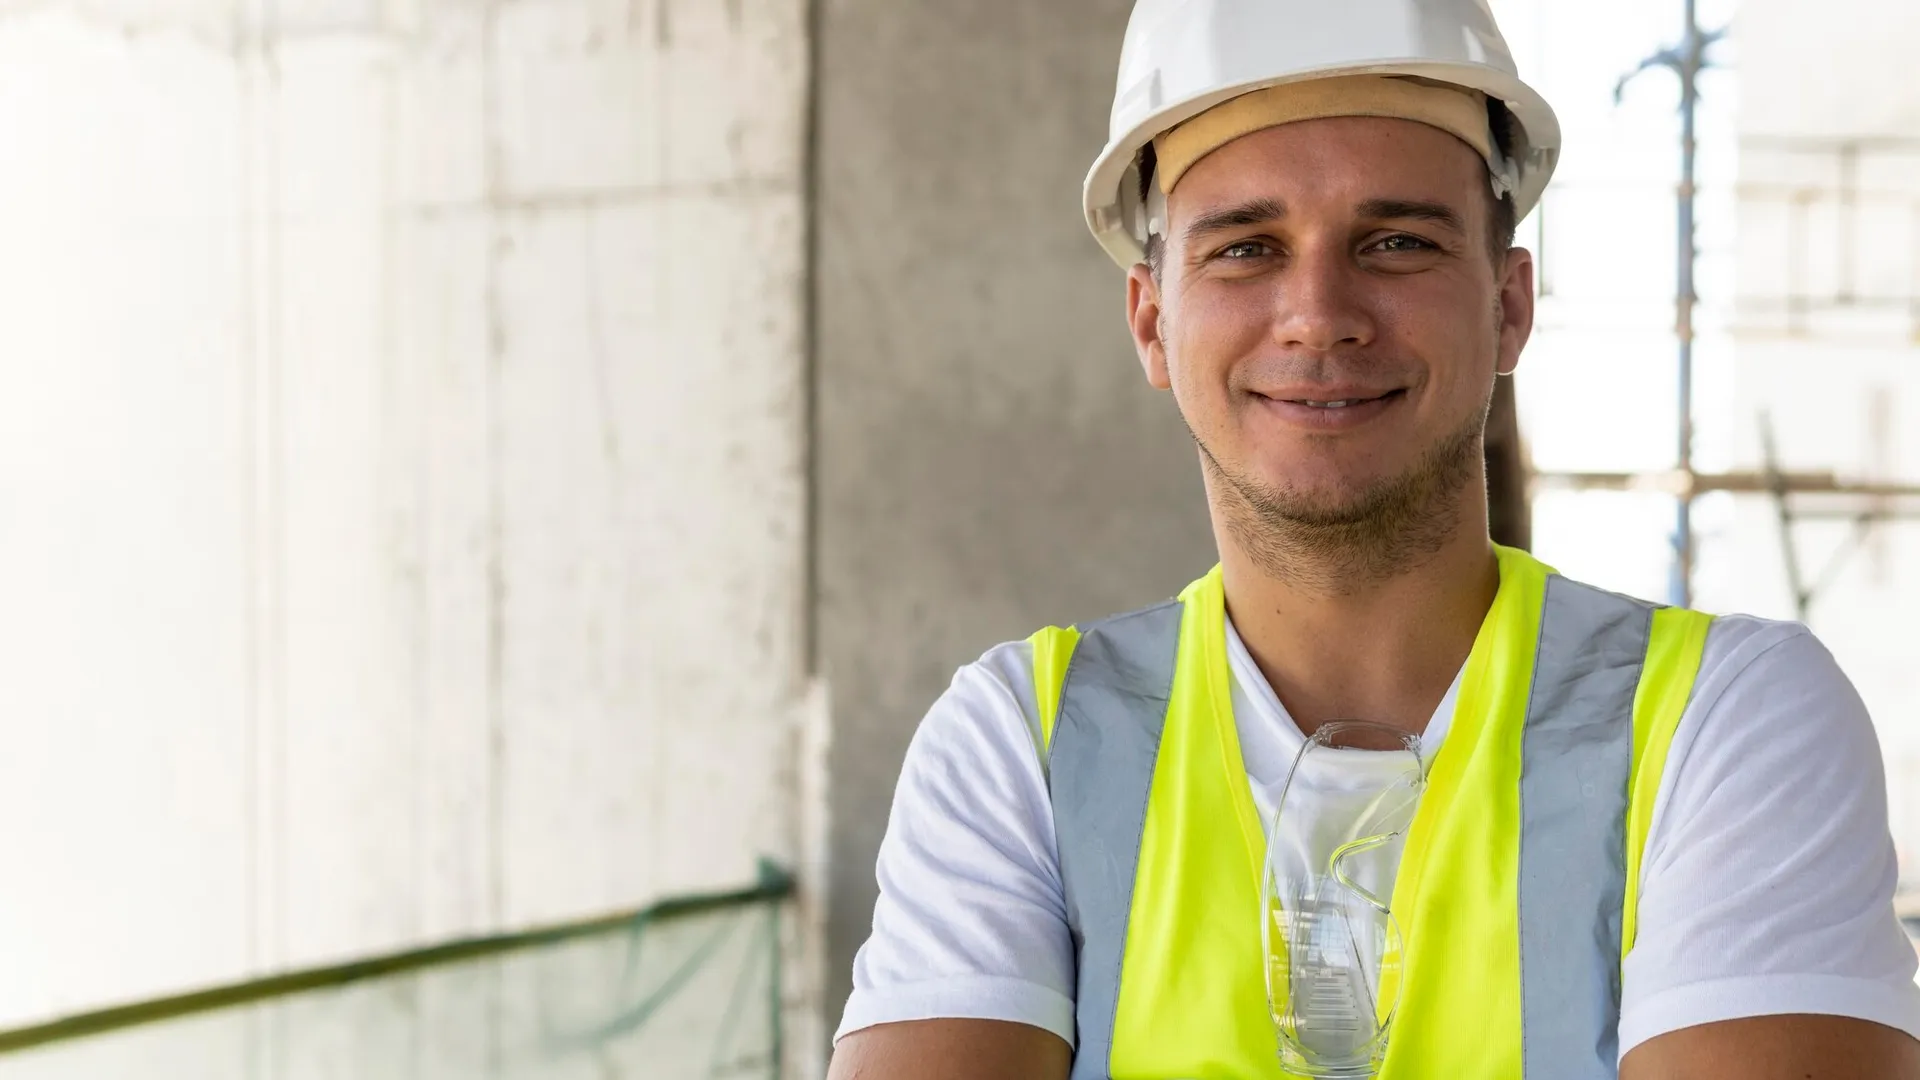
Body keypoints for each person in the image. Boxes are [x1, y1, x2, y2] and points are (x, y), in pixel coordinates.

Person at [826, 1, 1920, 1076]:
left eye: (1396, 242)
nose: (1319, 312)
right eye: (1248, 248)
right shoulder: (1024, 744)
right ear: (1153, 322)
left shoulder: (1722, 722)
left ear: (1510, 305)